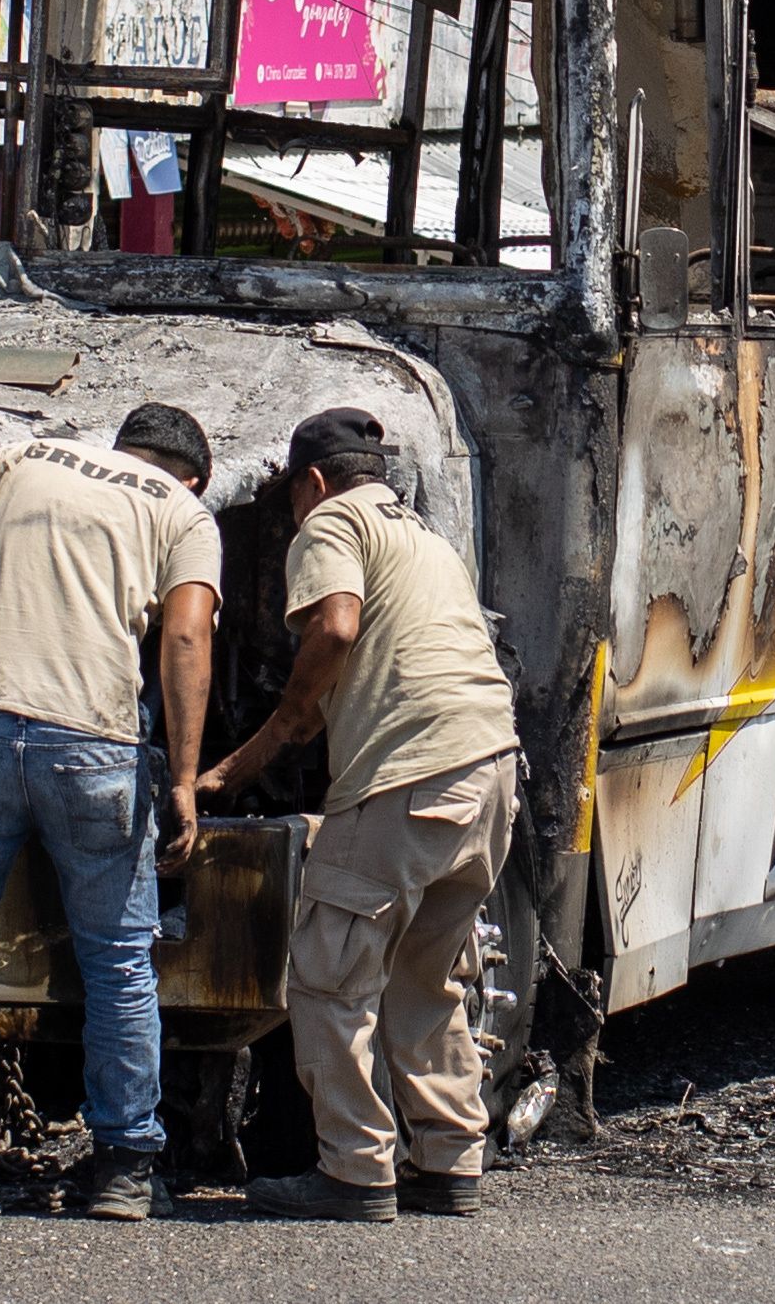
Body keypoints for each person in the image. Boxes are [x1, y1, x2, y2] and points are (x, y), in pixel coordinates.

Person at [0, 402, 221, 1219]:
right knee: (117, 964)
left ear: (117, 448)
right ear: (195, 472)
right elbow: (183, 637)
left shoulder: (16, 456)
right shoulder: (182, 510)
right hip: (93, 743)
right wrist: (180, 777)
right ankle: (123, 1169)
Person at [198, 408, 521, 1223]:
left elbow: (335, 625)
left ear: (310, 481)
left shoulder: (332, 521)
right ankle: (448, 1160)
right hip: (488, 767)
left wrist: (255, 752)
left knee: (327, 974)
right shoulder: (419, 533)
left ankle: (353, 1171)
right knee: (426, 975)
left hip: (405, 776)